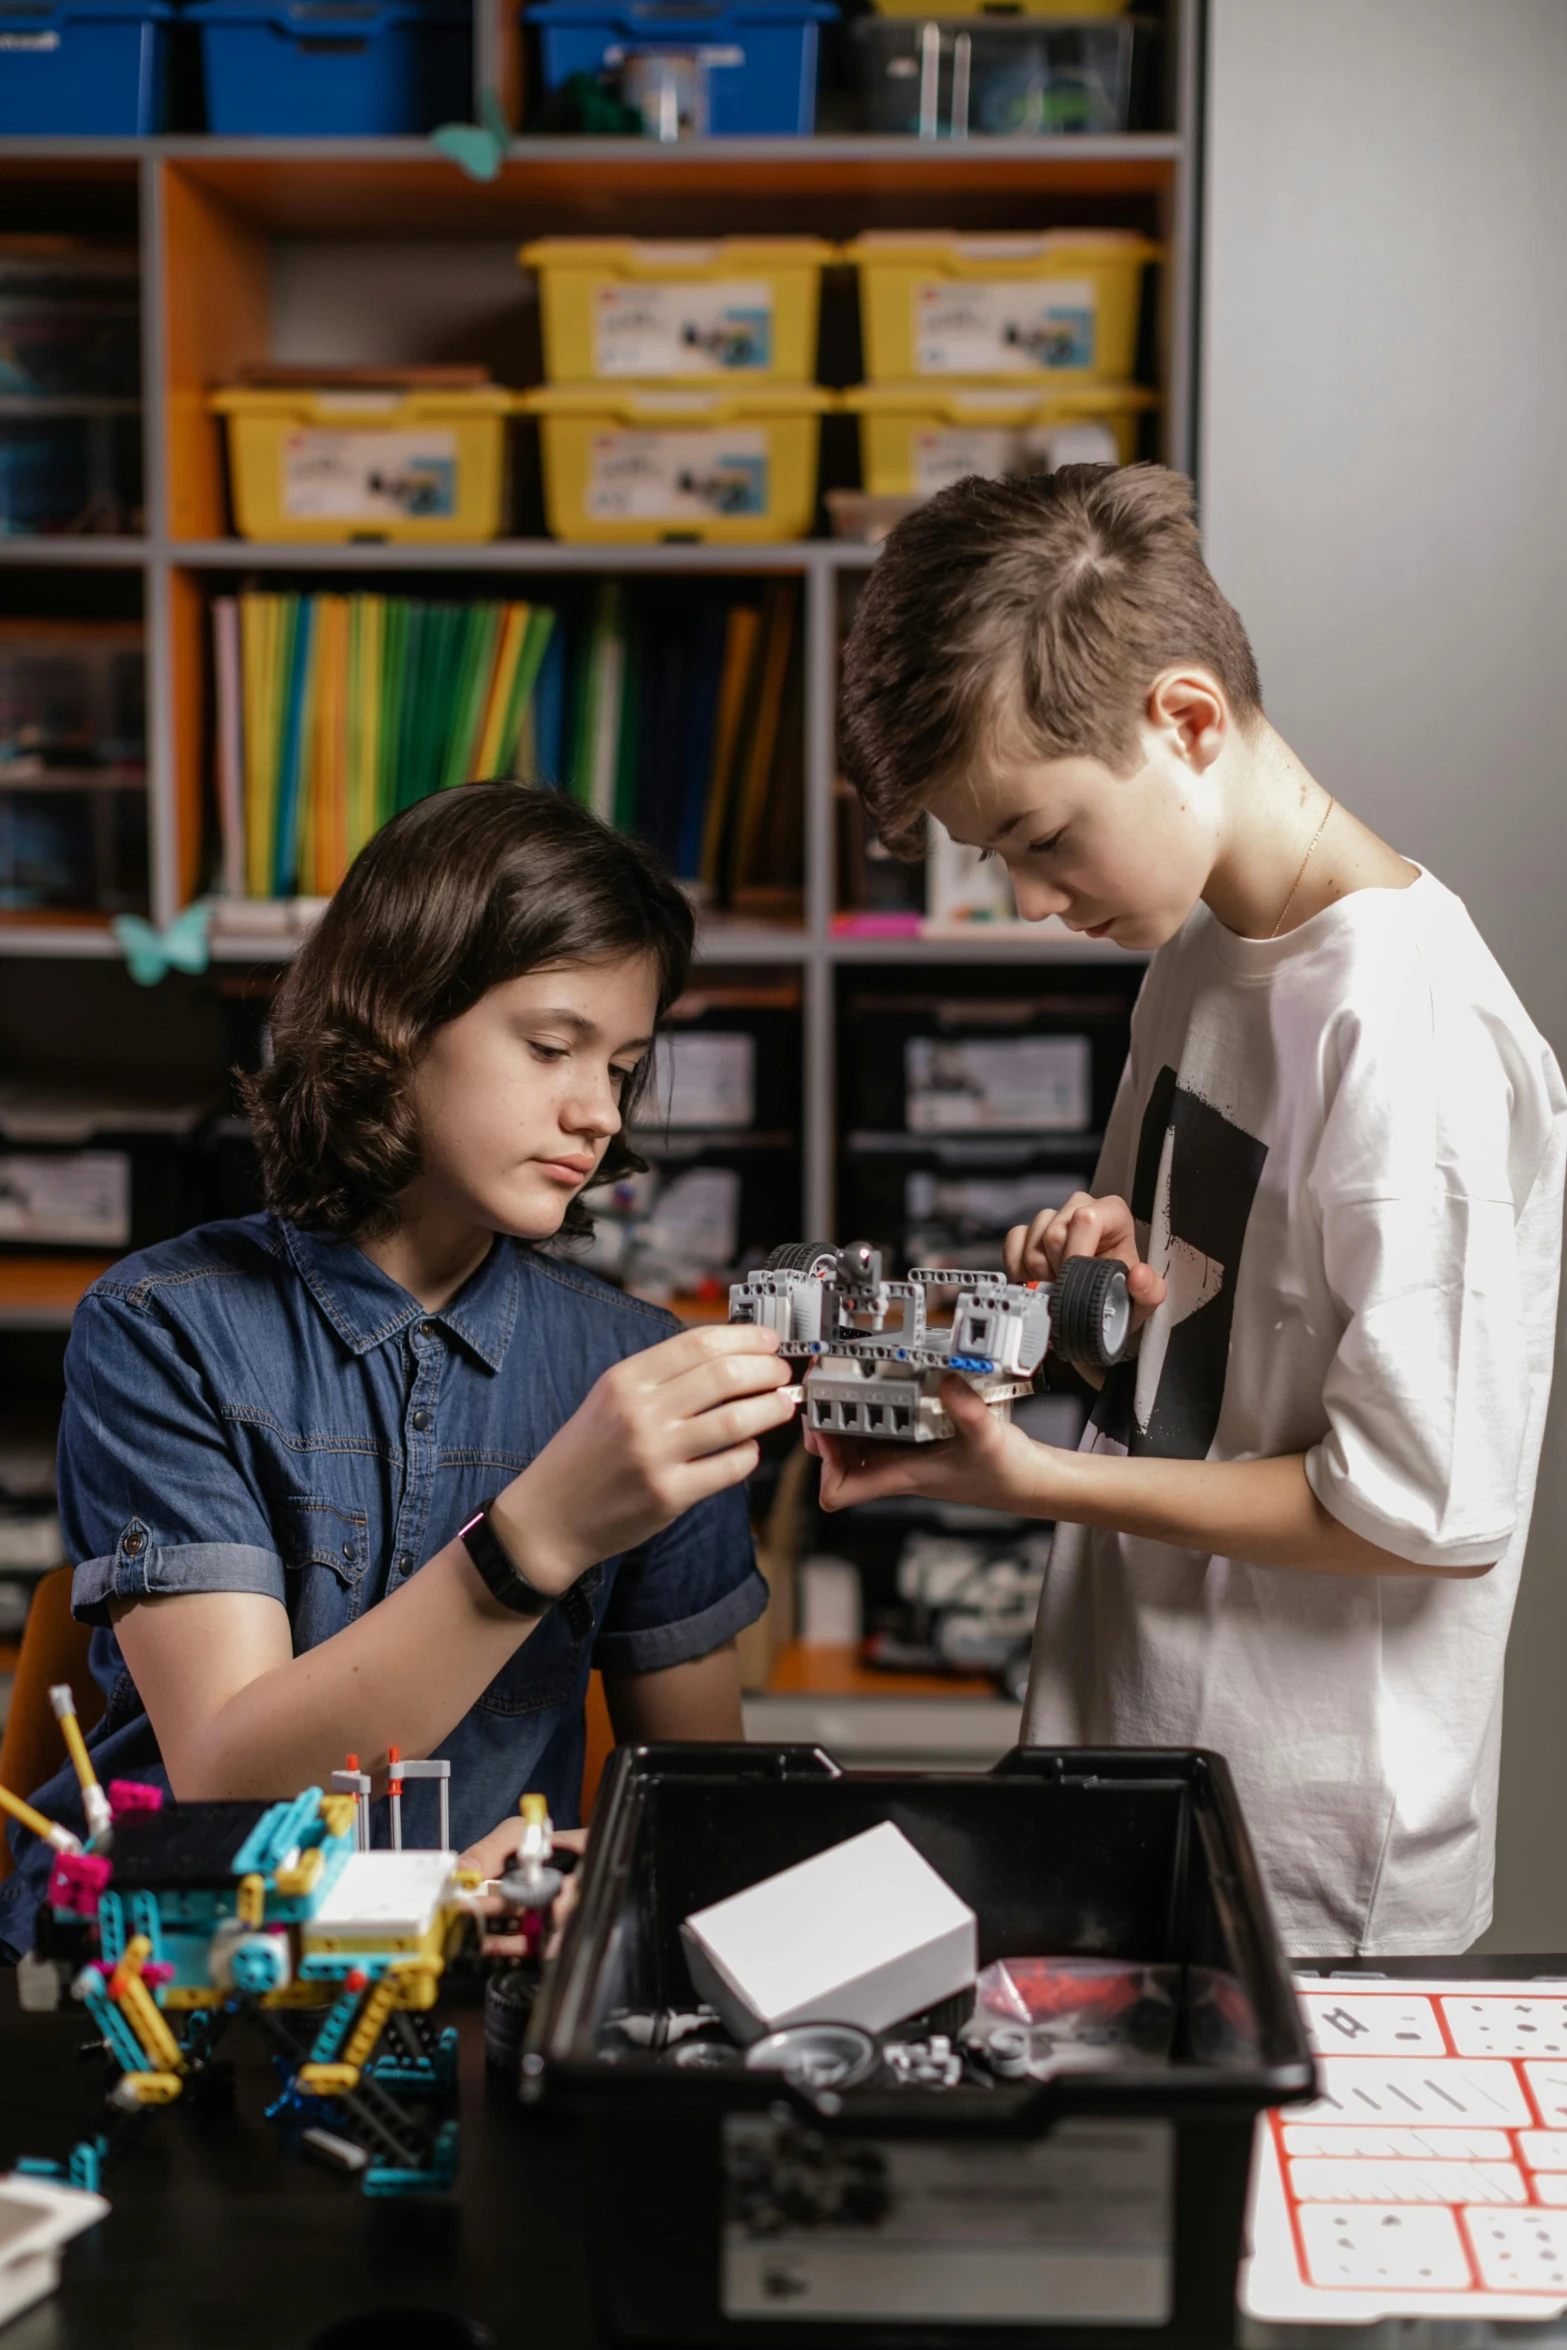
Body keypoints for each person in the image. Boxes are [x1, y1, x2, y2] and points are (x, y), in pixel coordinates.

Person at [823, 463, 1566, 1956]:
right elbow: (1202, 1357)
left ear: (1182, 722)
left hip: (1302, 1857)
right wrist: (1087, 1294)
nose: (1031, 898)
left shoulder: (1403, 1026)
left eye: (1038, 835)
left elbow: (1418, 1514)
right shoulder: (1200, 949)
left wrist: (1036, 1486)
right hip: (1132, 1749)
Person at [0, 783, 794, 1960]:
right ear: (394, 1020)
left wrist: (620, 1873)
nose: (596, 1114)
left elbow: (703, 1819)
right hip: (175, 1984)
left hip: (477, 1995)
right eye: (548, 1046)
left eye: (624, 1066)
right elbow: (230, 1772)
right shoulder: (164, 1329)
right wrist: (536, 1537)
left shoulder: (630, 1365)